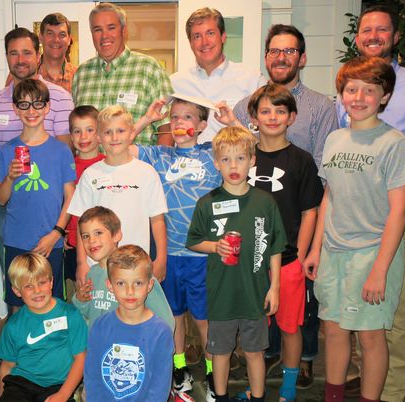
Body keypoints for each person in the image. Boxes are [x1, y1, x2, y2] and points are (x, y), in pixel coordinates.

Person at [334, 7, 405, 401]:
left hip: (404, 206)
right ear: (357, 38)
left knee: (392, 305)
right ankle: (370, 381)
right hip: (354, 207)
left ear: (395, 36)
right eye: (366, 30)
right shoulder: (350, 86)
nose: (373, 35)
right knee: (357, 302)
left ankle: (392, 392)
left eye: (382, 29)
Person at [304, 56, 405, 402]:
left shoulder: (394, 143)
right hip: (334, 252)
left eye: (370, 90)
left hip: (372, 253)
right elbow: (329, 197)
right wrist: (315, 249)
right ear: (341, 94)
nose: (359, 96)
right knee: (333, 330)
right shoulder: (336, 139)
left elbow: (399, 211)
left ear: (384, 96)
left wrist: (380, 269)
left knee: (369, 335)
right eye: (352, 89)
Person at [234, 84, 323, 401]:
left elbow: (310, 211)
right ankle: (254, 385)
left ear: (292, 117)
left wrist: (299, 256)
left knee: (289, 326)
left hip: (286, 260)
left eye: (280, 110)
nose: (273, 117)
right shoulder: (243, 157)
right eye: (265, 110)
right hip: (249, 262)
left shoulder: (301, 160)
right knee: (254, 328)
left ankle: (288, 384)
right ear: (253, 117)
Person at [131, 94, 221, 401]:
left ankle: (212, 371)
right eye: (176, 117)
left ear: (202, 125)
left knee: (205, 317)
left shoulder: (212, 154)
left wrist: (229, 121)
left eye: (188, 117)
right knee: (174, 316)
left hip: (202, 253)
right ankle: (179, 368)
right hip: (168, 253)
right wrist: (147, 118)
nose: (180, 122)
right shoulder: (160, 155)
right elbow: (118, 145)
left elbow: (248, 149)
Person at [187, 126, 286, 402]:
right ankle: (220, 397)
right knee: (219, 351)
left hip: (255, 292)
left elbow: (276, 248)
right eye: (226, 159)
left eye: (240, 158)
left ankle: (257, 397)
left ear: (252, 160)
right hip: (221, 294)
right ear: (216, 163)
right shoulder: (207, 203)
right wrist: (214, 246)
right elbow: (193, 240)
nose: (234, 166)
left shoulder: (265, 202)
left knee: (255, 352)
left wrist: (274, 287)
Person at [0, 79, 76, 310]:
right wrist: (9, 177)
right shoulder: (7, 150)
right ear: (15, 109)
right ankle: (21, 346)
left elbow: (70, 196)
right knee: (18, 304)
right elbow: (0, 199)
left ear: (48, 107)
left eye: (38, 104)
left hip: (52, 241)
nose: (32, 111)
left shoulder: (61, 150)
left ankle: (53, 346)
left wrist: (56, 233)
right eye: (24, 105)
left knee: (53, 302)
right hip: (17, 240)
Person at [67, 105, 168, 286]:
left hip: (136, 265)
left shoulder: (147, 173)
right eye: (107, 132)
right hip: (97, 265)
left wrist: (161, 258)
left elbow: (157, 219)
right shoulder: (90, 175)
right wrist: (82, 263)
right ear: (99, 137)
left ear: (131, 134)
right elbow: (82, 222)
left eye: (120, 131)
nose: (114, 138)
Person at [231, 24, 338, 167]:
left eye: (289, 51)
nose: (281, 58)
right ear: (266, 58)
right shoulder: (244, 108)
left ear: (302, 59)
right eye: (274, 51)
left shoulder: (321, 107)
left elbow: (325, 165)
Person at [72, 2, 173, 146]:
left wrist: (160, 166)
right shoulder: (81, 74)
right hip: (89, 168)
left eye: (111, 28)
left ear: (124, 31)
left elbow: (165, 128)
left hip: (137, 166)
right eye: (97, 30)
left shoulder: (149, 68)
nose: (104, 36)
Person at [84, 245, 174, 401]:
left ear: (149, 285)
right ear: (110, 286)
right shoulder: (99, 327)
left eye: (138, 283)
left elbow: (159, 389)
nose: (130, 291)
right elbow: (93, 378)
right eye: (121, 283)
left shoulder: (161, 333)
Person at [0, 253, 87, 401]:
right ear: (17, 291)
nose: (37, 291)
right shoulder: (13, 324)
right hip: (21, 383)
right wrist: (1, 396)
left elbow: (80, 358)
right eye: (28, 286)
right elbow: (7, 364)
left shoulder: (70, 315)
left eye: (42, 282)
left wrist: (63, 395)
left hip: (59, 385)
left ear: (51, 282)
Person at [170, 7, 265, 143]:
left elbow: (266, 136)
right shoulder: (175, 83)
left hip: (236, 163)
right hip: (188, 164)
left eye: (210, 33)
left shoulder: (253, 79)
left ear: (223, 36)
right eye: (197, 36)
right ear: (190, 43)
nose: (204, 42)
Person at [73, 206, 173, 329]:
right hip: (100, 345)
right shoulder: (92, 274)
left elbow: (166, 320)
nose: (91, 240)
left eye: (98, 233)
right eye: (85, 236)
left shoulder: (136, 272)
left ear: (116, 235)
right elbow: (90, 313)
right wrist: (80, 300)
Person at [0, 27, 74, 156]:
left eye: (27, 53)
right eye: (14, 53)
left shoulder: (61, 98)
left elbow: (66, 155)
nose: (20, 60)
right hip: (4, 176)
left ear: (38, 56)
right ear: (6, 57)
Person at [63, 106, 104, 293]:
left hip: (103, 243)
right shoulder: (66, 166)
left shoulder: (107, 164)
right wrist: (63, 231)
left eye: (89, 130)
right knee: (79, 294)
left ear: (99, 134)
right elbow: (62, 202)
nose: (83, 137)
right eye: (77, 131)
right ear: (71, 136)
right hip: (72, 243)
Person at [3, 13, 77, 93]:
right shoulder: (22, 72)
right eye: (50, 34)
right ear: (40, 37)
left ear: (69, 39)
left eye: (62, 35)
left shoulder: (78, 75)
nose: (56, 40)